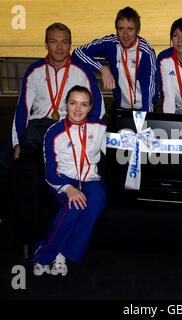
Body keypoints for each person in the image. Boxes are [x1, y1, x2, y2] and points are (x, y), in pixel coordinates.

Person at [0, 22, 105, 222]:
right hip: (37, 126)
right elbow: (22, 108)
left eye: (64, 42)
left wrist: (86, 133)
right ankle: (7, 213)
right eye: (54, 42)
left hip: (68, 126)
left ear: (70, 44)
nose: (59, 47)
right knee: (4, 160)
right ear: (46, 45)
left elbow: (98, 107)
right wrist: (17, 143)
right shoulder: (34, 70)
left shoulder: (81, 70)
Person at [32, 85, 107, 276]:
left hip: (90, 180)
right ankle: (45, 253)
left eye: (84, 104)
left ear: (90, 107)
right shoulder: (54, 132)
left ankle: (63, 253)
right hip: (62, 182)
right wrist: (67, 188)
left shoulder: (100, 128)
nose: (78, 109)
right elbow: (49, 172)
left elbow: (117, 153)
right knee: (74, 207)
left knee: (98, 199)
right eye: (73, 103)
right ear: (66, 104)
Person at [72, 6, 157, 112]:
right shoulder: (111, 44)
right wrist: (102, 68)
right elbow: (78, 52)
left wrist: (146, 119)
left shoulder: (146, 53)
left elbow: (149, 91)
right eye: (121, 29)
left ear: (138, 31)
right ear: (116, 30)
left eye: (130, 29)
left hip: (143, 109)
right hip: (119, 108)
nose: (125, 35)